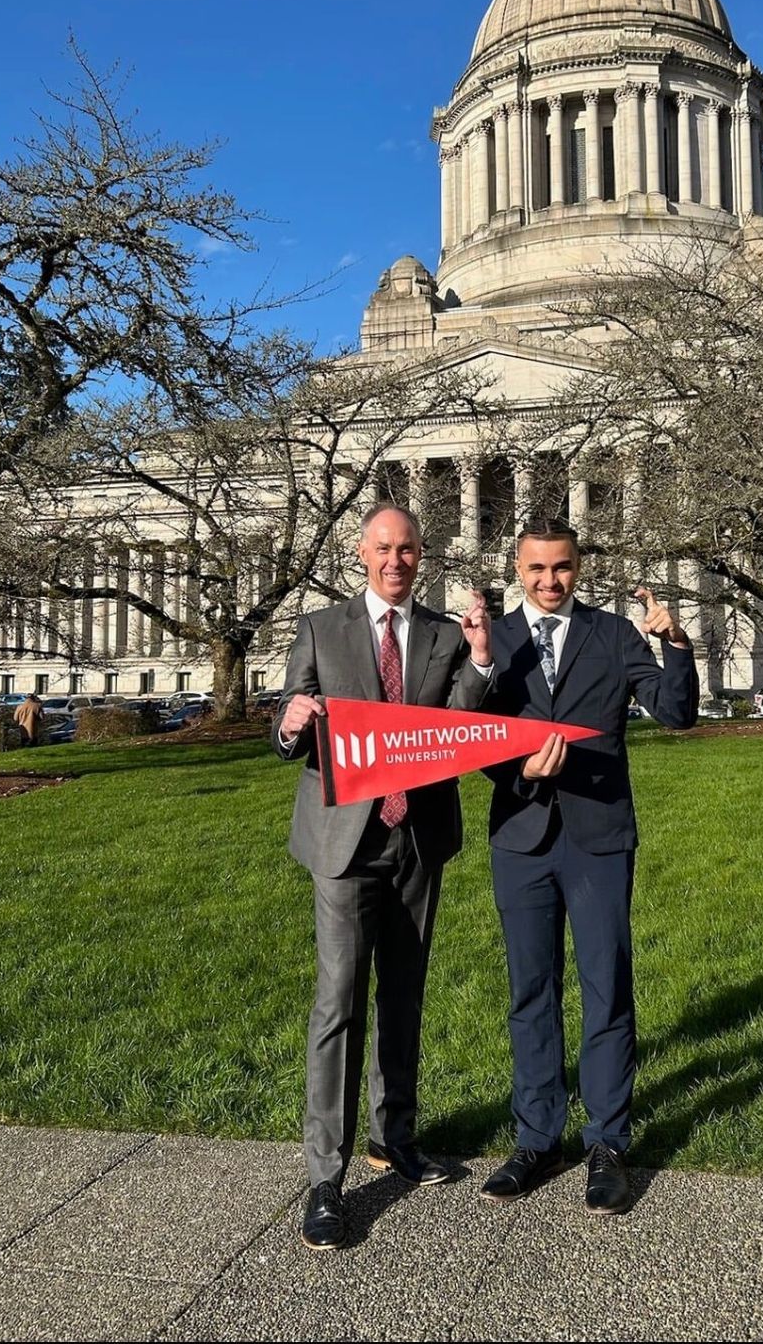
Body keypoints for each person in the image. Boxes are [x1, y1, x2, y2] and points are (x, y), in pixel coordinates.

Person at [273, 503, 494, 1251]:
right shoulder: (320, 627)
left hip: (417, 838)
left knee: (404, 993)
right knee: (339, 998)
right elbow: (289, 714)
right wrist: (290, 725)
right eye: (383, 548)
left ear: (420, 555)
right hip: (344, 840)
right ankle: (326, 1179)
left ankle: (394, 1136)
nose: (394, 560)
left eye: (406, 549)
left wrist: (483, 659)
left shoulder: (439, 633)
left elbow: (464, 718)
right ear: (361, 553)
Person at [479, 520, 698, 1216]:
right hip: (521, 833)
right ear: (517, 566)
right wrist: (514, 765)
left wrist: (677, 645)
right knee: (530, 990)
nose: (550, 581)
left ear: (580, 567)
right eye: (537, 568)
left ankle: (607, 1141)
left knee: (606, 987)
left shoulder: (612, 634)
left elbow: (676, 713)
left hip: (598, 835)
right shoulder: (496, 641)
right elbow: (471, 735)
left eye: (563, 567)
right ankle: (538, 1136)